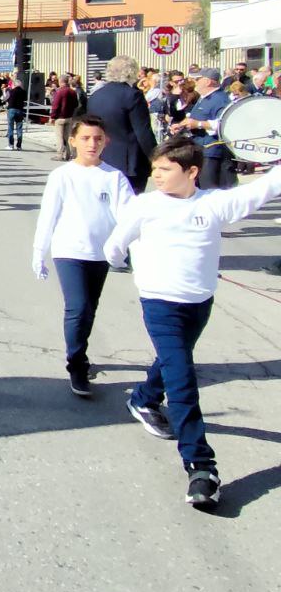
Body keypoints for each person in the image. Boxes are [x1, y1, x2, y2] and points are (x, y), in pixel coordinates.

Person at [105, 138, 281, 512]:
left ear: (192, 172)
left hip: (199, 304)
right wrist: (134, 261)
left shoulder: (213, 204)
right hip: (160, 305)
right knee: (183, 380)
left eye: (165, 169)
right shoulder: (145, 206)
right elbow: (114, 247)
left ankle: (143, 398)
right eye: (155, 168)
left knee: (175, 360)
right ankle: (202, 468)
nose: (156, 175)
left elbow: (262, 190)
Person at [31, 116, 135, 398]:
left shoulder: (114, 177)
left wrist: (131, 249)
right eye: (86, 138)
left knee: (89, 308)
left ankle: (81, 352)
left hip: (100, 254)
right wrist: (39, 252)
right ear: (73, 140)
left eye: (98, 139)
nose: (92, 144)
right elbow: (48, 216)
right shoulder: (62, 176)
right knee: (77, 307)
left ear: (106, 142)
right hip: (69, 251)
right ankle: (76, 364)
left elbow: (130, 217)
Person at [86, 56, 158, 194]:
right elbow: (143, 132)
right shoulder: (133, 95)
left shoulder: (96, 95)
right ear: (131, 72)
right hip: (129, 163)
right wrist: (156, 156)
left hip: (101, 158)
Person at [170, 68, 235, 190]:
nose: (194, 82)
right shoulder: (204, 97)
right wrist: (181, 125)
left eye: (198, 79)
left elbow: (223, 124)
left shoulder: (220, 99)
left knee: (209, 189)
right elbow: (195, 117)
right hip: (200, 149)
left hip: (212, 151)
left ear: (208, 82)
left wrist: (198, 124)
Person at [49, 75, 80, 161]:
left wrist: (52, 117)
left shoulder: (59, 92)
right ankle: (69, 154)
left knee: (59, 137)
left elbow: (55, 105)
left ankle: (60, 155)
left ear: (61, 81)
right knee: (68, 136)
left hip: (60, 118)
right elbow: (76, 104)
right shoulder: (73, 92)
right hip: (69, 117)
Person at [6, 77, 28, 151]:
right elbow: (25, 99)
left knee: (10, 128)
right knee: (19, 128)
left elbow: (5, 99)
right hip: (20, 110)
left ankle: (11, 145)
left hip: (11, 109)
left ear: (14, 85)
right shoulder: (24, 92)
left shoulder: (11, 91)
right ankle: (19, 146)